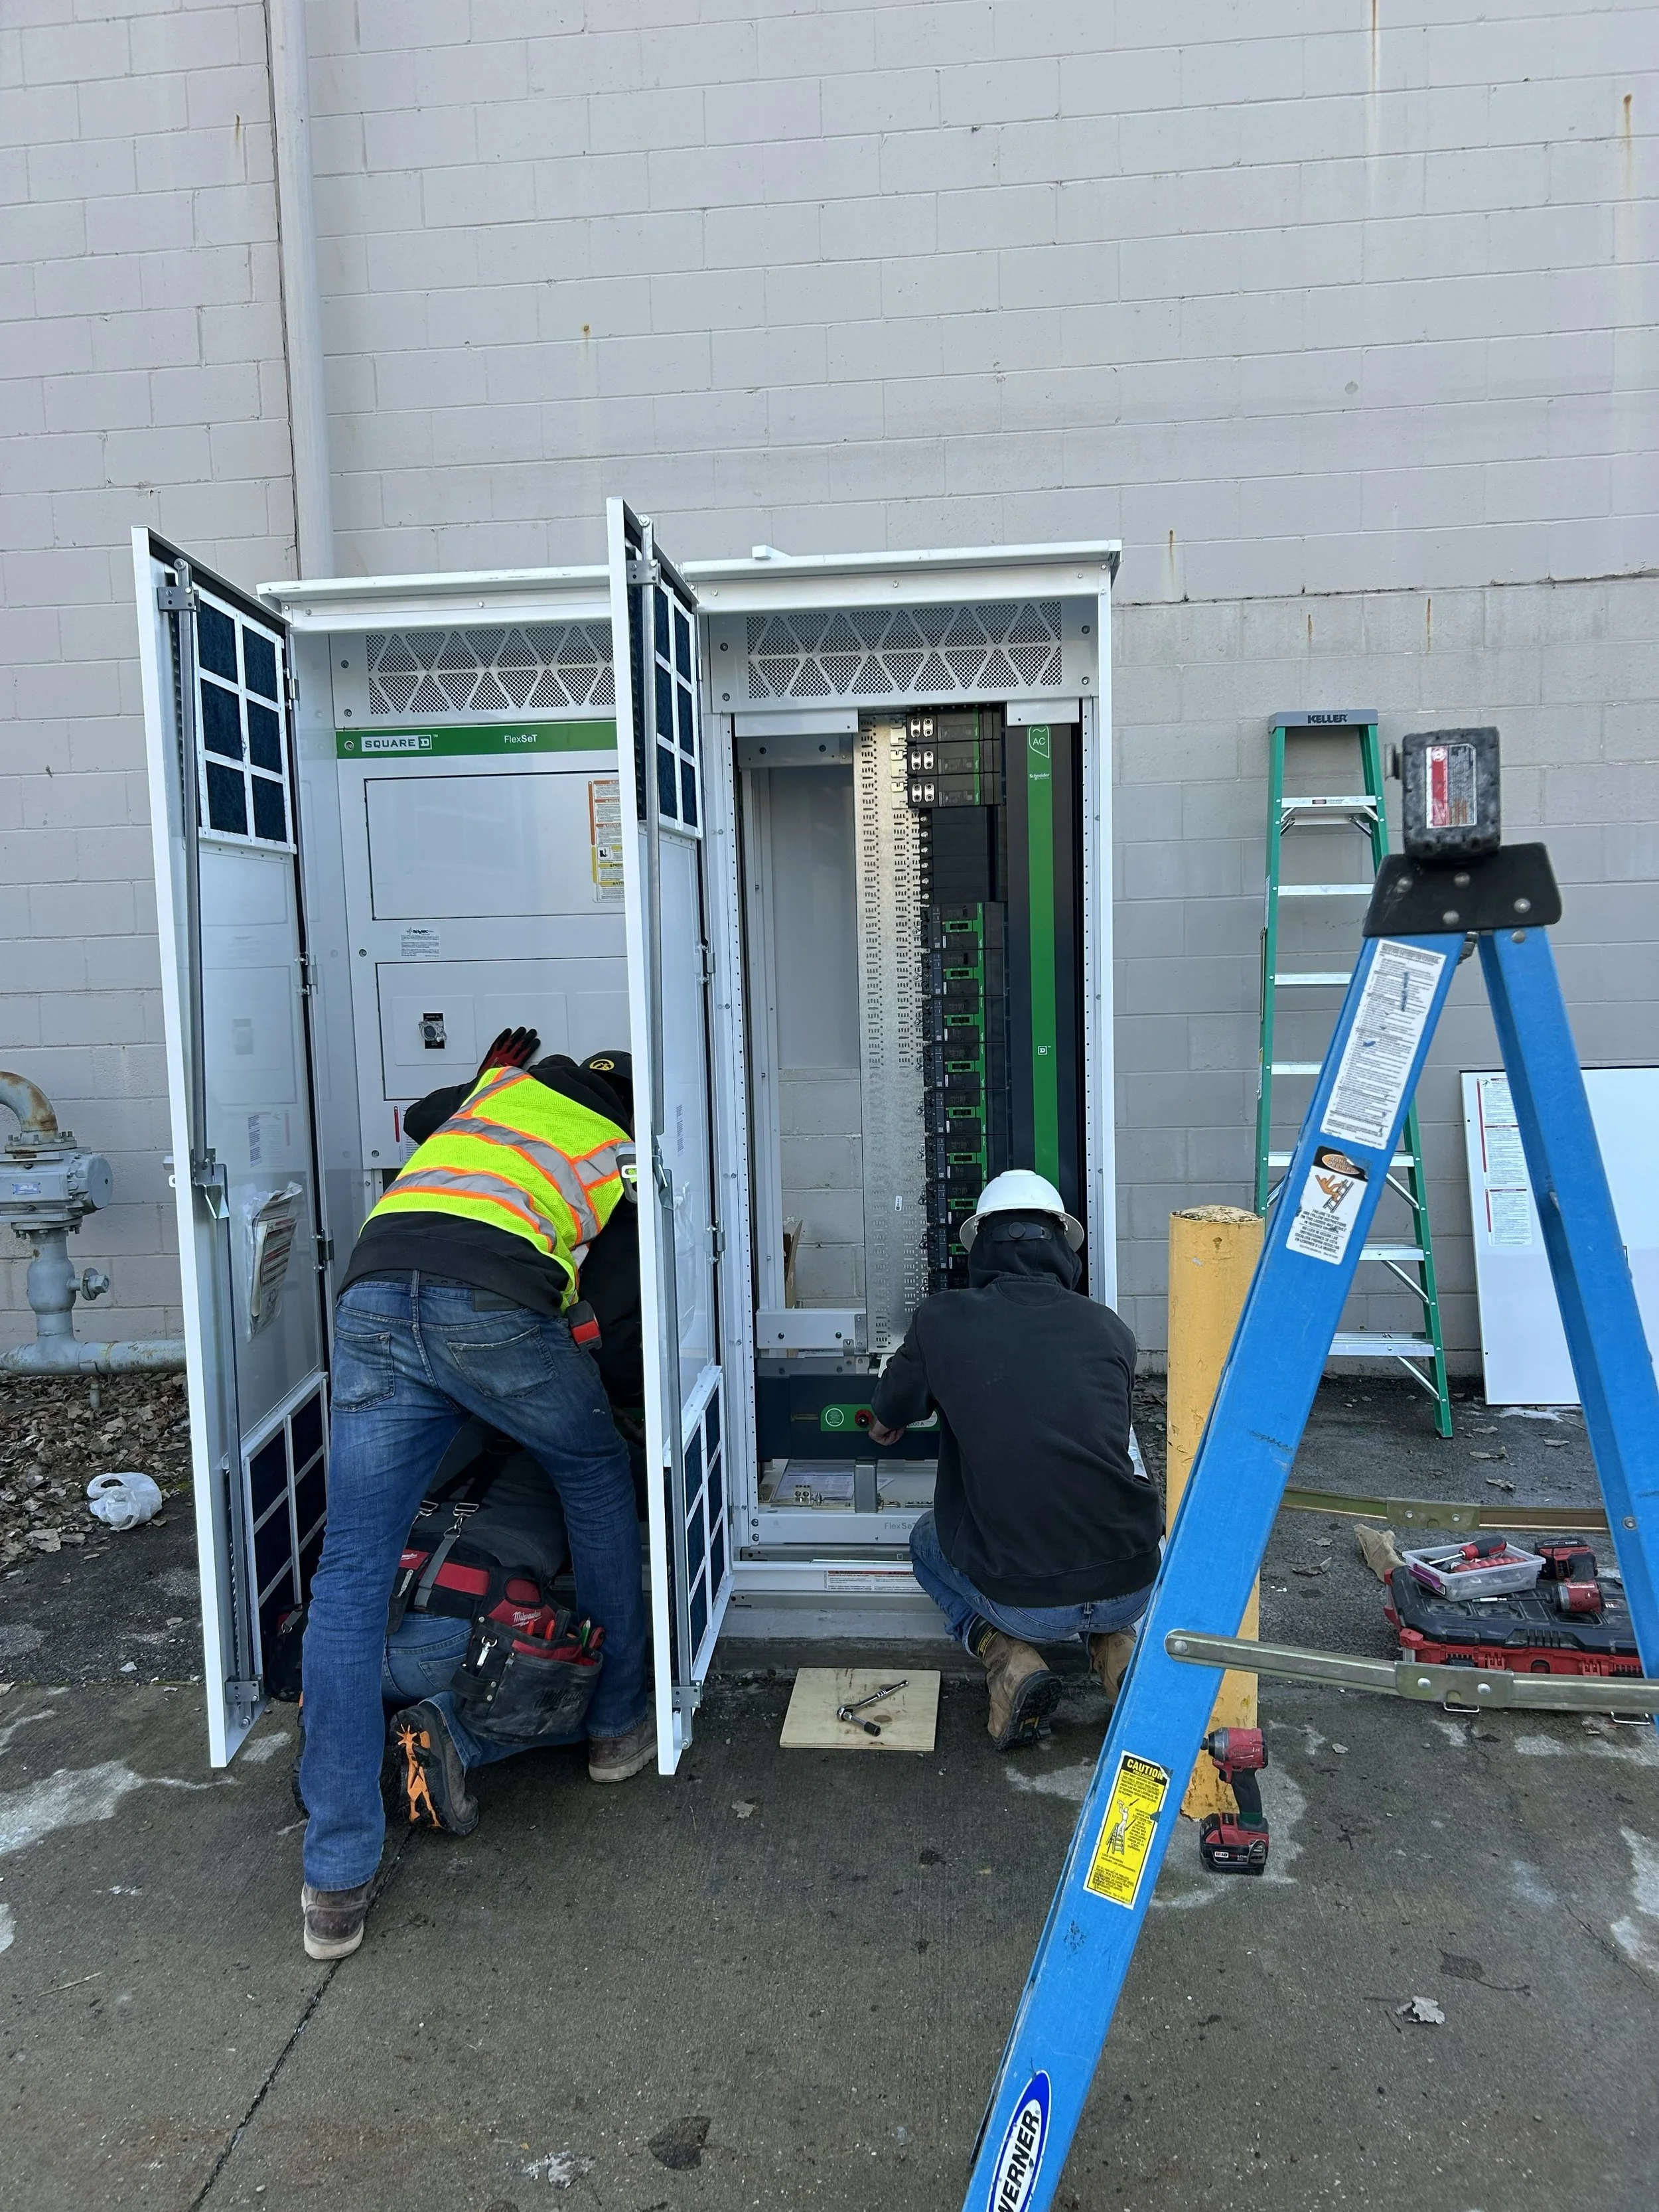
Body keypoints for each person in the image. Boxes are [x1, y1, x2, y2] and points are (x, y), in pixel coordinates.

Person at [297, 1030, 652, 1963]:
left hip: (372, 1291)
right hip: (491, 1301)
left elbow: (420, 1115)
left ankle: (334, 1880)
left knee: (351, 1568)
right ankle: (616, 1726)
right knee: (593, 1471)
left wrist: (493, 1072)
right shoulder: (620, 1135)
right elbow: (616, 1322)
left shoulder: (497, 1094)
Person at [869, 1170, 1162, 1752]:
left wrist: (903, 1408)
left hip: (1023, 1603)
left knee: (926, 1541)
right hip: (1133, 1579)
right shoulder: (1112, 1330)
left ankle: (1009, 1661)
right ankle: (1115, 1648)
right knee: (1084, 1533)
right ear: (1062, 1248)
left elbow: (886, 1417)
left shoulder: (942, 1319)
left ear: (981, 1246)